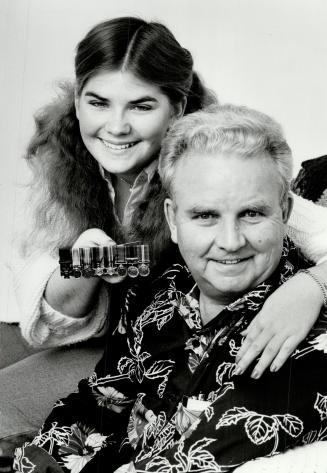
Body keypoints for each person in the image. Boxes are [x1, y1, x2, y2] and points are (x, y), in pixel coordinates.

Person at [2, 15, 327, 452]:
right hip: (116, 348)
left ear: (177, 107)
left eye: (141, 106)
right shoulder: (56, 167)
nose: (116, 127)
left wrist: (309, 287)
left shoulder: (216, 166)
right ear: (77, 100)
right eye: (98, 103)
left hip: (197, 350)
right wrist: (84, 263)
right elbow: (40, 326)